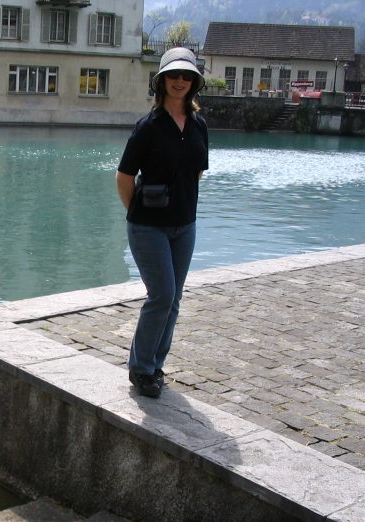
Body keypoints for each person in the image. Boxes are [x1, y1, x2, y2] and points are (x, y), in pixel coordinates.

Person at [115, 48, 209, 398]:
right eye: (174, 76)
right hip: (148, 227)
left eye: (186, 76)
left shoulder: (199, 125)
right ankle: (140, 369)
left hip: (185, 226)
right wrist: (138, 214)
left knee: (174, 299)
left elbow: (196, 172)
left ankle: (155, 365)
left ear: (195, 82)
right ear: (162, 81)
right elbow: (124, 177)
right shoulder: (149, 127)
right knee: (162, 294)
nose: (180, 81)